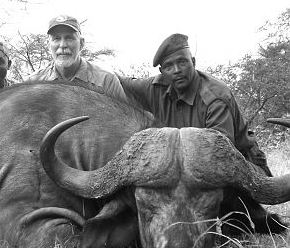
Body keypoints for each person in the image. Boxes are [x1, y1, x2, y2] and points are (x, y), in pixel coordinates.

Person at [119, 33, 285, 237]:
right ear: (162, 72)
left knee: (225, 200)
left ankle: (252, 218)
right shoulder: (154, 87)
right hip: (188, 163)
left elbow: (217, 159)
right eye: (169, 66)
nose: (177, 70)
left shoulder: (215, 97)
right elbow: (117, 82)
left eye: (182, 62)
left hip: (238, 162)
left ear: (193, 62)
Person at [26, 14, 126, 100]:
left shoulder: (107, 82)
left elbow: (125, 120)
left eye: (69, 38)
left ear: (81, 44)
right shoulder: (32, 84)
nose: (62, 45)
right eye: (56, 38)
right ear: (49, 46)